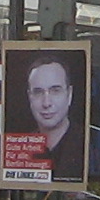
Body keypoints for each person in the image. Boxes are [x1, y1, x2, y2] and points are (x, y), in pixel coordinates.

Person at [23, 53, 85, 182]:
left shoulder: (91, 146)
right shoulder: (22, 148)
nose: (46, 103)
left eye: (55, 91)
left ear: (69, 94)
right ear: (29, 97)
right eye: (38, 92)